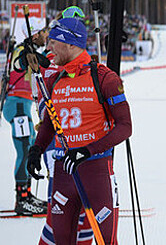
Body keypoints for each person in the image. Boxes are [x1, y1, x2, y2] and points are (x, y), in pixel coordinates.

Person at [26, 16, 132, 244]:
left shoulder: (104, 78)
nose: (50, 47)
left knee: (106, 242)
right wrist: (36, 149)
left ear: (71, 43)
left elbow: (125, 127)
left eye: (54, 41)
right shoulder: (55, 80)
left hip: (96, 174)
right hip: (63, 175)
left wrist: (88, 150)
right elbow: (49, 124)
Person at [2, 25, 49, 215]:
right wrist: (25, 57)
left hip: (23, 105)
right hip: (17, 106)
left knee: (29, 148)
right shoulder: (21, 50)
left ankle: (27, 195)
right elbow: (17, 64)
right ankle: (21, 199)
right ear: (35, 34)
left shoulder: (30, 50)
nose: (45, 35)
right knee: (24, 151)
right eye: (43, 32)